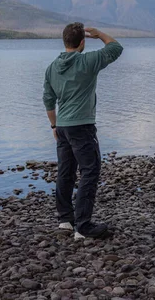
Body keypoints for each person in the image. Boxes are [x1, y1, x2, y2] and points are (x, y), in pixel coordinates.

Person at [43, 22, 123, 240]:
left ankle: (65, 220)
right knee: (90, 171)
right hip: (82, 126)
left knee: (65, 172)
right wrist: (100, 34)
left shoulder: (52, 67)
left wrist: (53, 126)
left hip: (62, 126)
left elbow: (48, 101)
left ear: (64, 41)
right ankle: (83, 226)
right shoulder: (88, 61)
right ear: (82, 42)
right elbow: (116, 48)